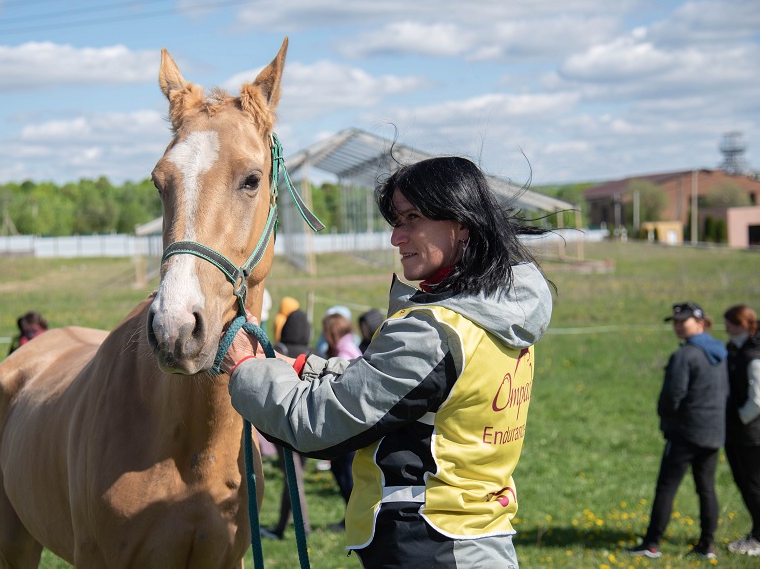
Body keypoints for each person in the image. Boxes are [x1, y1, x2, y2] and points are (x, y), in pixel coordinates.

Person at [225, 155, 553, 567]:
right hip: (479, 541)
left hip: (431, 549)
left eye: (412, 218)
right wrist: (290, 367)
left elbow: (318, 425)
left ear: (463, 222)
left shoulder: (433, 332)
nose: (397, 238)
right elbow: (385, 385)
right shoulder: (497, 313)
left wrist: (245, 370)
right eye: (396, 222)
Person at [626, 302, 728, 560]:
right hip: (714, 431)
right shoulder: (720, 352)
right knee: (706, 488)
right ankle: (707, 545)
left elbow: (672, 397)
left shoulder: (685, 356)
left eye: (684, 321)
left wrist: (667, 420)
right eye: (675, 321)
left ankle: (651, 544)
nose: (678, 326)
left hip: (686, 432)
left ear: (701, 322)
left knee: (666, 488)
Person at [262, 307, 313, 541]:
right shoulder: (311, 355)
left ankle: (303, 528)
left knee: (294, 479)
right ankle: (281, 526)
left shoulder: (279, 351)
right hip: (309, 426)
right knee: (293, 477)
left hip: (284, 427)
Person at [723, 304, 760, 557]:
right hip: (738, 429)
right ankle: (759, 534)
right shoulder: (737, 348)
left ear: (741, 324)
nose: (725, 327)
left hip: (749, 431)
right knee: (743, 481)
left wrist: (738, 419)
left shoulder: (755, 356)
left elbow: (759, 399)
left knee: (751, 482)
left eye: (729, 323)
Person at [321, 311, 362, 528]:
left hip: (347, 425)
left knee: (347, 474)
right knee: (341, 472)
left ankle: (354, 520)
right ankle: (351, 518)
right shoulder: (347, 347)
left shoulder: (345, 353)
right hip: (347, 423)